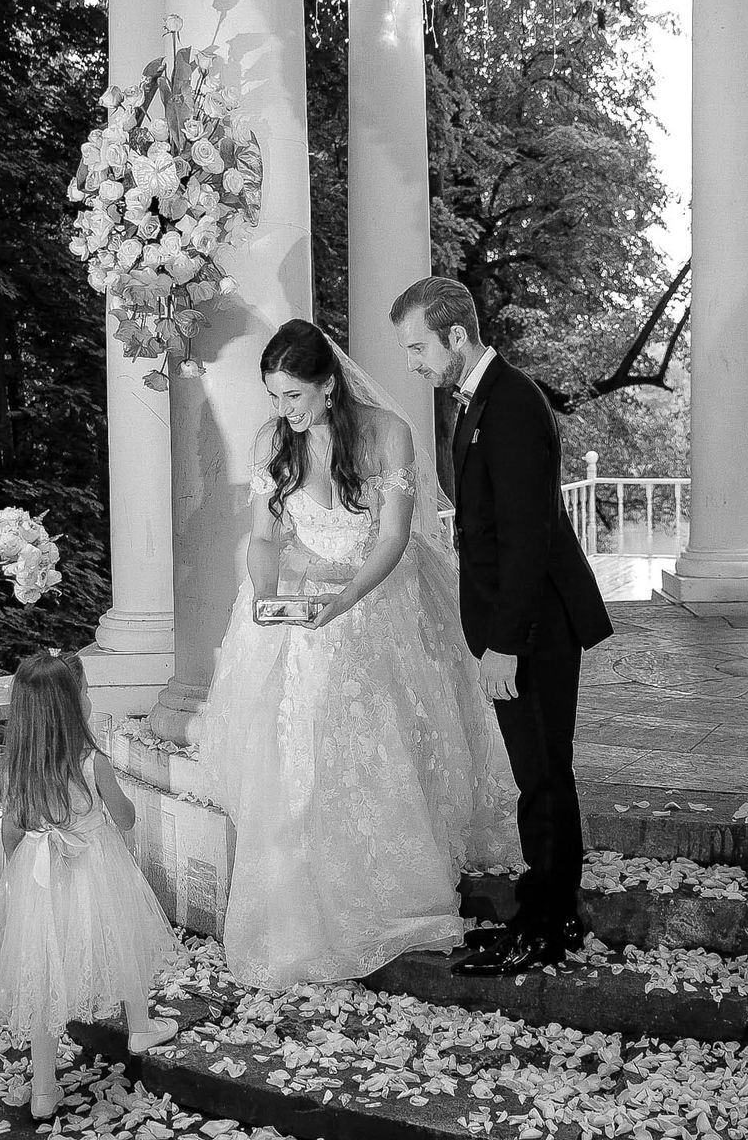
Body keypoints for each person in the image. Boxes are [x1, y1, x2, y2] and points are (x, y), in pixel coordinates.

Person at [202, 318, 521, 990]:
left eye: (293, 396)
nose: (283, 411)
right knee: (296, 752)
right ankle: (306, 898)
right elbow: (263, 539)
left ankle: (394, 896)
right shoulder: (273, 442)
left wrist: (343, 602)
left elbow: (393, 539)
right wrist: (266, 595)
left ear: (327, 385)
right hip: (297, 604)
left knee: (382, 747)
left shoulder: (386, 433)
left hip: (375, 599)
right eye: (274, 397)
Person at [391, 276, 614, 977]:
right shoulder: (480, 400)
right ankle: (551, 911)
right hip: (521, 620)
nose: (413, 362)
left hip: (535, 626)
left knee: (543, 776)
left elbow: (527, 536)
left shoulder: (513, 404)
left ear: (457, 335)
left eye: (419, 346)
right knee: (538, 773)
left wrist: (504, 643)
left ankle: (547, 925)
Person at [0, 651, 183, 1122]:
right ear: (72, 707)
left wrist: (15, 880)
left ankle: (42, 1088)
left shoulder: (17, 770)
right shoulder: (91, 761)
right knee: (123, 941)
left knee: (46, 975)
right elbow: (125, 817)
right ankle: (138, 1026)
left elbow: (10, 835)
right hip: (98, 875)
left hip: (43, 882)